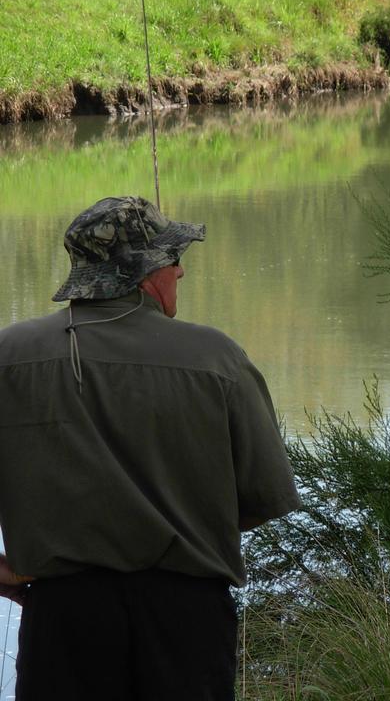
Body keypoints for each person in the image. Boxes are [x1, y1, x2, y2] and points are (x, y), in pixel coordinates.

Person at [0, 196, 301, 700]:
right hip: (188, 619)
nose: (181, 271)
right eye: (172, 258)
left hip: (63, 618)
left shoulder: (8, 357)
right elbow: (264, 496)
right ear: (145, 273)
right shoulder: (218, 358)